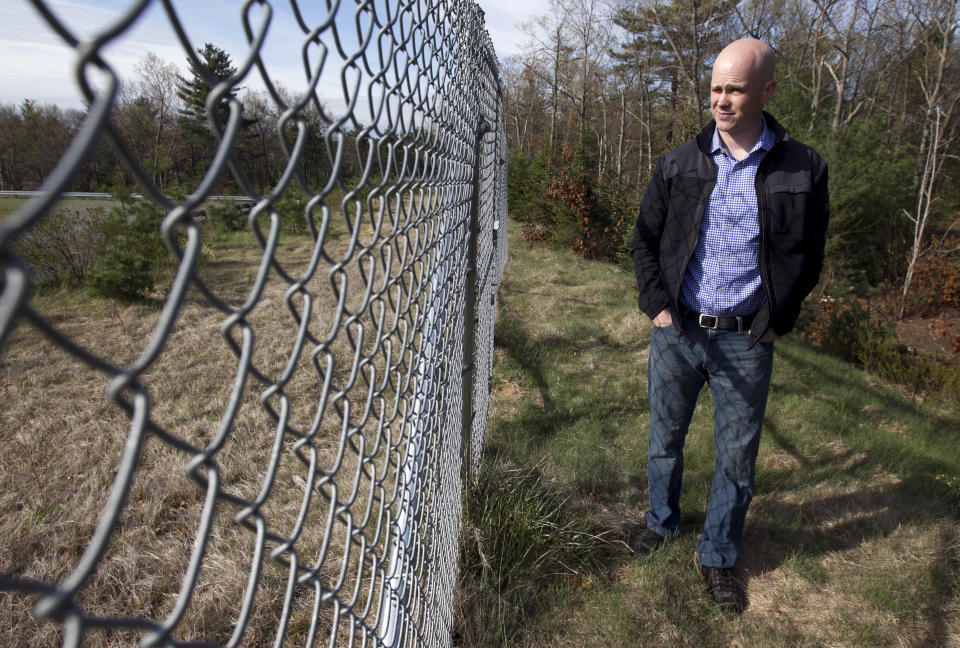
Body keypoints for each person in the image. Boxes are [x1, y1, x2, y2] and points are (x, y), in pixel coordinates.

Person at [628, 38, 829, 613]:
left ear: (766, 91)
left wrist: (776, 323)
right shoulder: (679, 162)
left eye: (735, 89)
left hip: (747, 337)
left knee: (737, 457)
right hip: (679, 331)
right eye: (715, 87)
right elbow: (645, 239)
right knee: (665, 440)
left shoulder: (802, 167)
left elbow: (807, 257)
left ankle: (718, 556)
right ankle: (661, 523)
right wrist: (658, 306)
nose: (721, 100)